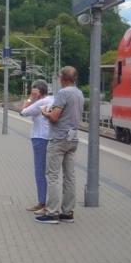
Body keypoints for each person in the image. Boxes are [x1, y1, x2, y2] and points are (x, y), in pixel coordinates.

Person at [36, 66, 84, 224]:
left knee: (53, 176)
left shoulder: (63, 93)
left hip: (58, 139)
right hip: (73, 139)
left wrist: (45, 113)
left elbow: (55, 117)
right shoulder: (79, 93)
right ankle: (67, 212)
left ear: (62, 78)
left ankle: (52, 213)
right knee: (70, 177)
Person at [19, 80, 53, 213]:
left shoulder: (40, 102)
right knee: (50, 172)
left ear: (40, 92)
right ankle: (48, 201)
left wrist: (30, 99)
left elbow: (23, 112)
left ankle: (42, 202)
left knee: (39, 171)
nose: (33, 94)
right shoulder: (53, 98)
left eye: (35, 92)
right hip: (51, 138)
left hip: (39, 138)